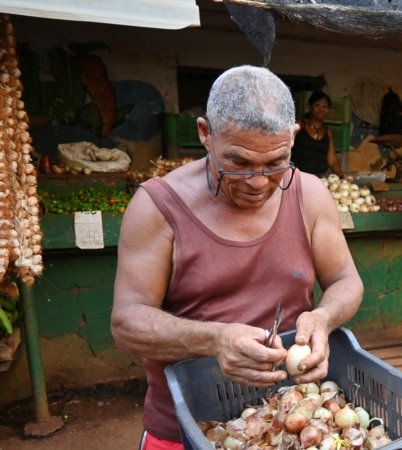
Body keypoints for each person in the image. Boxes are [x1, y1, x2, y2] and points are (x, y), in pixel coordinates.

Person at [110, 66, 363, 449]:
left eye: (275, 162)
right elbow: (127, 321)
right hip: (187, 426)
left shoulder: (309, 195)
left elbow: (346, 279)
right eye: (240, 163)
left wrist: (324, 318)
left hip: (287, 421)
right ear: (205, 134)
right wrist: (214, 340)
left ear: (293, 137)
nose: (258, 182)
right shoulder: (157, 206)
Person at [291, 91, 345, 178]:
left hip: (319, 179)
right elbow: (286, 148)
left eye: (325, 106)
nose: (321, 109)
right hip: (297, 177)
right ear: (310, 107)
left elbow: (332, 161)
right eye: (317, 105)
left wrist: (342, 178)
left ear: (328, 110)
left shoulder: (328, 132)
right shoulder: (299, 125)